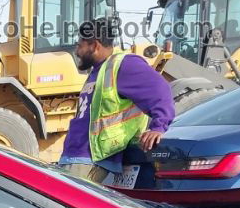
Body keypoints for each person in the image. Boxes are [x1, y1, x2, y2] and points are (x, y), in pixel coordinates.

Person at [59, 18, 174, 184]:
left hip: (91, 160)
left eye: (80, 45)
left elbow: (161, 89)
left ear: (94, 45)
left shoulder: (123, 65)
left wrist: (159, 126)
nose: (77, 51)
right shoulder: (98, 71)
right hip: (75, 156)